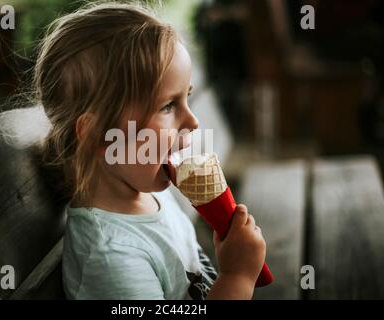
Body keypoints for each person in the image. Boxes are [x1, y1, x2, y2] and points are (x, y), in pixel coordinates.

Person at [34, 2, 266, 300]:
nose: (193, 121)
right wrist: (238, 276)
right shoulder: (111, 256)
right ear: (96, 135)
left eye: (187, 99)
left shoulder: (151, 195)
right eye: (168, 106)